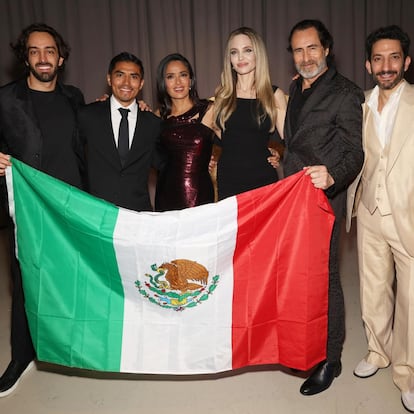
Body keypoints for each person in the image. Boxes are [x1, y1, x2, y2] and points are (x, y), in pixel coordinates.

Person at [0, 22, 85, 397]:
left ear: (61, 57)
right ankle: (21, 356)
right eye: (34, 51)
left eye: (49, 50)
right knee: (25, 281)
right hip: (29, 206)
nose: (42, 58)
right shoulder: (5, 98)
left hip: (71, 203)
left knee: (73, 277)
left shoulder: (75, 97)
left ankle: (74, 348)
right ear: (25, 58)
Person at [283, 19, 364, 396]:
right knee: (302, 278)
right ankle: (308, 345)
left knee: (327, 279)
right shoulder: (295, 88)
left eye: (312, 48)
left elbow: (354, 151)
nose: (305, 57)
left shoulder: (346, 92)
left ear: (327, 49)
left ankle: (331, 358)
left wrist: (333, 176)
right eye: (298, 50)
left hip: (324, 199)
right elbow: (294, 142)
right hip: (294, 198)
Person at [346, 25, 414, 413]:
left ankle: (407, 372)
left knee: (410, 298)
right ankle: (377, 352)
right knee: (372, 287)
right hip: (369, 209)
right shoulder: (362, 103)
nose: (385, 66)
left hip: (408, 213)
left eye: (393, 57)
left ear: (406, 61)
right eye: (378, 58)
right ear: (368, 64)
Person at [78, 52, 162, 211]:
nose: (126, 82)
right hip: (96, 213)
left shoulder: (153, 123)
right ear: (109, 79)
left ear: (142, 83)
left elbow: (165, 164)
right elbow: (72, 159)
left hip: (138, 214)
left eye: (134, 77)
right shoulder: (88, 116)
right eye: (120, 75)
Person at [212, 26, 286, 200]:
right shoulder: (221, 94)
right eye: (234, 52)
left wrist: (279, 153)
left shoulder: (274, 95)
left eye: (247, 50)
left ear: (258, 54)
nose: (240, 57)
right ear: (228, 58)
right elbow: (216, 134)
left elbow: (292, 141)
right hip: (228, 180)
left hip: (262, 180)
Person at [154, 53, 215, 211]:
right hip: (165, 196)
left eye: (183, 75)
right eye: (170, 77)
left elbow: (236, 142)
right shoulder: (156, 117)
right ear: (163, 83)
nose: (178, 82)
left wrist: (269, 151)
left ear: (190, 80)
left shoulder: (209, 110)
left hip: (200, 196)